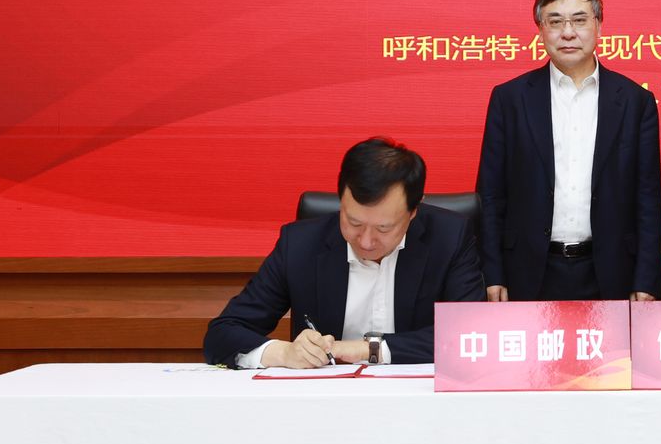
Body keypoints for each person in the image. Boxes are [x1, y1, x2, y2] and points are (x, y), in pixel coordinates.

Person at [203, 137, 483, 367]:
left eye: (384, 228)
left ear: (413, 211)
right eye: (354, 223)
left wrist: (367, 349)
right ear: (341, 202)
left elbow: (470, 334)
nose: (367, 241)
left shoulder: (449, 237)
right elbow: (223, 333)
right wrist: (284, 353)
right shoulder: (300, 244)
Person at [476, 0, 661, 301]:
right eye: (555, 22)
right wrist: (492, 272)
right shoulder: (510, 99)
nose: (567, 32)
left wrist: (646, 278)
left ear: (598, 25)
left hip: (611, 270)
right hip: (528, 270)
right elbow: (491, 194)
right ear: (541, 30)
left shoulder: (635, 101)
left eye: (579, 20)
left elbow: (647, 197)